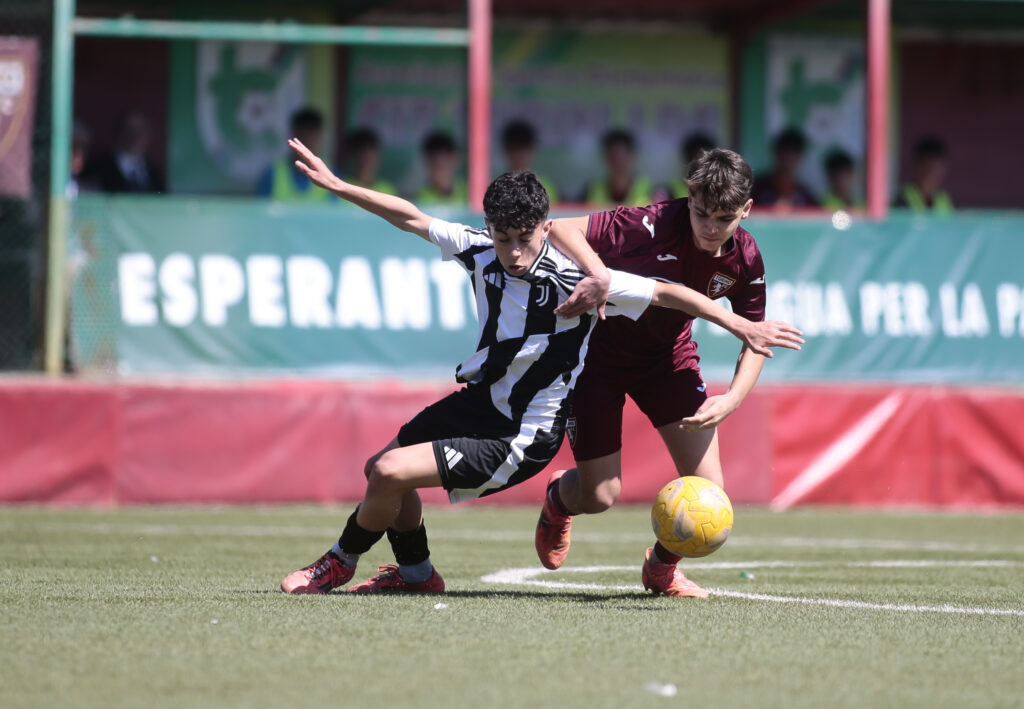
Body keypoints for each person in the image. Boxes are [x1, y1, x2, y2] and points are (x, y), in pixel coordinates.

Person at [279, 139, 803, 595]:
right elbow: (412, 216)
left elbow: (673, 294)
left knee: (391, 472)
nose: (512, 252)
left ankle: (338, 562)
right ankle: (418, 571)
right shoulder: (486, 249)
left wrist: (739, 342)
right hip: (524, 388)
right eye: (502, 238)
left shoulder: (573, 276)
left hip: (547, 419)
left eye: (524, 239)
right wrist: (338, 185)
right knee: (387, 472)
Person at [535, 148, 802, 598]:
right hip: (598, 358)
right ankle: (559, 500)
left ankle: (661, 568)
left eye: (724, 218)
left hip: (668, 361)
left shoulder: (745, 258)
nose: (711, 228)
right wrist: (599, 273)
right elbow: (558, 228)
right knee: (600, 496)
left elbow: (755, 337)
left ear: (747, 210)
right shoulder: (650, 224)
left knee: (711, 495)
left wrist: (733, 398)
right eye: (701, 214)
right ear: (689, 199)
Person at [257, 107, 332, 202]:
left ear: (320, 135)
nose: (308, 138)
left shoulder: (331, 174)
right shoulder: (272, 173)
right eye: (303, 131)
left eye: (312, 132)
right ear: (293, 133)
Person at [83, 110, 165, 193]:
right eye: (130, 129)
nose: (135, 136)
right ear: (118, 132)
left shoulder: (155, 174)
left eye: (141, 129)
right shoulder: (97, 169)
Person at [751, 127, 817, 209]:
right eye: (785, 152)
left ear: (800, 157)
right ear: (776, 153)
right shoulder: (756, 188)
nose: (788, 157)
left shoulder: (806, 196)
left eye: (793, 153)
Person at [585, 129, 653, 207]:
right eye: (613, 155)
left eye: (621, 155)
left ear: (632, 156)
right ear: (605, 158)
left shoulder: (650, 190)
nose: (618, 160)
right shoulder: (592, 190)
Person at [501, 119, 559, 203]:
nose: (520, 154)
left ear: (533, 150)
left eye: (524, 148)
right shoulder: (497, 185)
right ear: (507, 150)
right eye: (515, 147)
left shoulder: (547, 187)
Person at [895, 137, 954, 214]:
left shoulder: (944, 199)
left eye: (935, 167)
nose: (930, 174)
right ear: (916, 165)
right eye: (926, 167)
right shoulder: (904, 197)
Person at [416, 130, 467, 205]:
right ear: (427, 162)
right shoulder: (419, 198)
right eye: (434, 157)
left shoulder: (471, 193)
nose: (439, 160)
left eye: (446, 155)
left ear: (457, 159)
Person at [343, 127, 397, 195]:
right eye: (362, 151)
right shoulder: (343, 186)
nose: (366, 156)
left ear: (379, 155)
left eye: (370, 151)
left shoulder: (388, 190)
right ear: (352, 154)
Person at [664, 132, 715, 200]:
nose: (700, 165)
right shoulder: (671, 189)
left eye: (704, 160)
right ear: (687, 159)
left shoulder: (717, 189)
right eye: (696, 159)